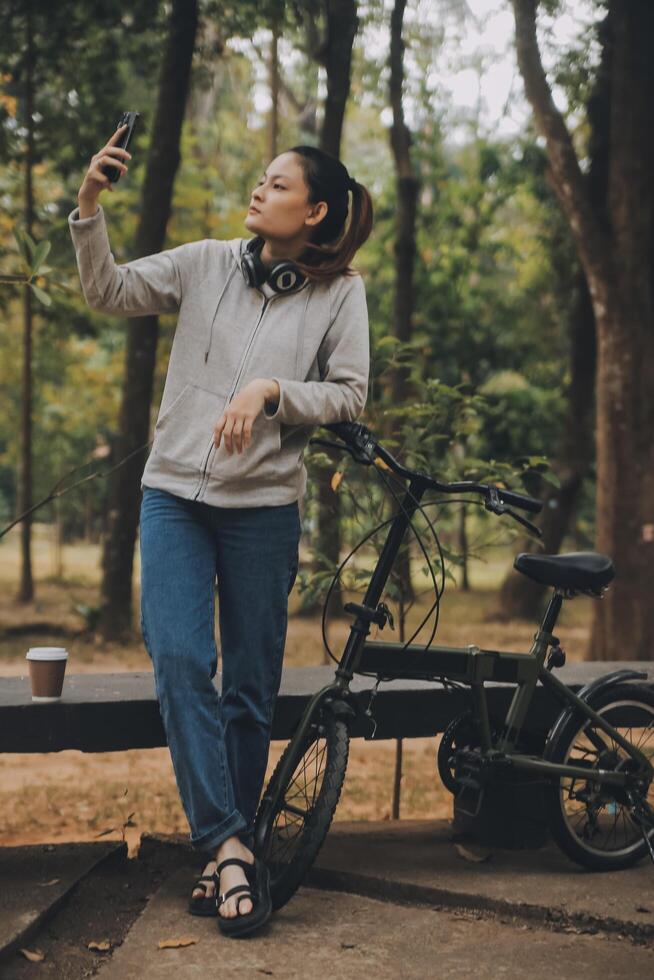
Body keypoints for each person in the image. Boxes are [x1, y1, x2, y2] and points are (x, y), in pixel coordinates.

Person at [68, 123, 373, 937]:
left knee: (248, 687)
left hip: (265, 512)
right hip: (173, 496)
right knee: (177, 658)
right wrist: (89, 203)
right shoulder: (205, 262)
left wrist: (274, 389)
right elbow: (109, 292)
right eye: (262, 179)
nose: (258, 189)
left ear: (314, 213)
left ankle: (222, 857)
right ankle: (230, 843)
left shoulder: (341, 293)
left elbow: (348, 394)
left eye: (277, 184)